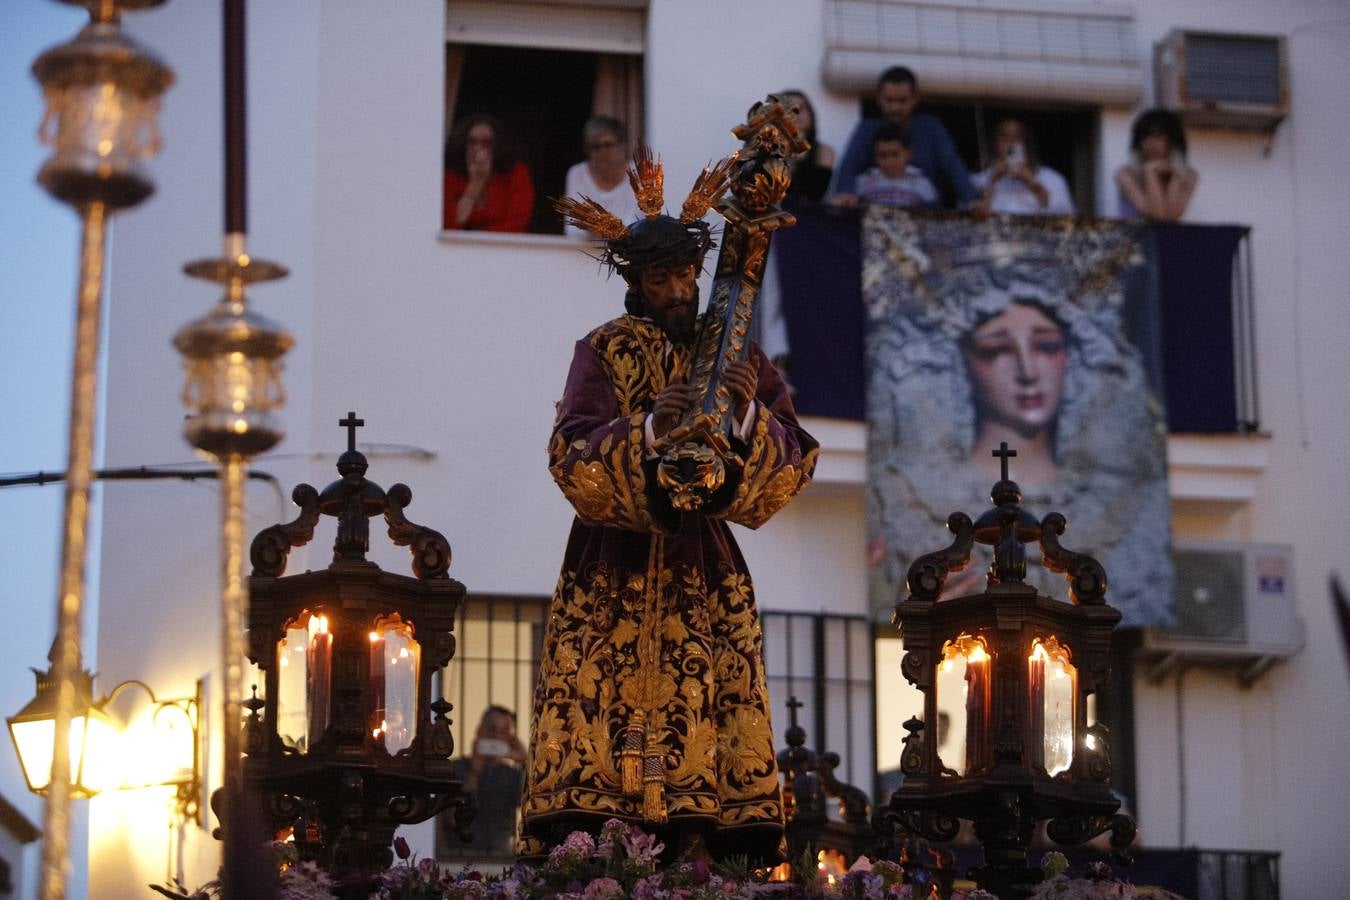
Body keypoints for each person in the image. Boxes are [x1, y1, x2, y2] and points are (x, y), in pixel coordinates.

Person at [522, 155, 819, 864]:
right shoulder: (604, 350)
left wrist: (746, 415)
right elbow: (569, 452)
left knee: (707, 706)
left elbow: (796, 457)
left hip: (702, 566)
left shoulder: (734, 352)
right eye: (662, 279)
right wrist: (649, 429)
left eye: (687, 275)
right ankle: (592, 851)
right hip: (610, 566)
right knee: (602, 707)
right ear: (636, 282)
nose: (680, 291)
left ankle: (700, 840)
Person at [830, 66, 976, 209]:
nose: (895, 108)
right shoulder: (867, 129)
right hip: (875, 214)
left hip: (923, 214)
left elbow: (951, 164)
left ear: (915, 99)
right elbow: (850, 164)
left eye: (902, 101)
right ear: (879, 99)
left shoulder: (930, 127)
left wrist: (972, 199)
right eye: (889, 100)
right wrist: (845, 193)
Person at [961, 300, 1068, 486]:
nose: (1028, 372)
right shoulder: (933, 489)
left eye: (1047, 346)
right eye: (996, 350)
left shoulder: (1103, 489)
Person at [440, 706, 527, 863]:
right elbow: (451, 818)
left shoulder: (512, 774)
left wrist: (526, 762)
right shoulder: (453, 769)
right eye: (492, 729)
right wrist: (474, 772)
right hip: (455, 858)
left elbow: (533, 805)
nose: (496, 736)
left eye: (504, 732)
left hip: (501, 859)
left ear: (511, 738)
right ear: (480, 730)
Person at [443, 113, 534, 232]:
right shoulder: (451, 176)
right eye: (472, 142)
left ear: (498, 146)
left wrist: (476, 236)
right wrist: (475, 183)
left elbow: (517, 224)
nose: (478, 148)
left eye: (486, 142)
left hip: (502, 244)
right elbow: (448, 225)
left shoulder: (517, 174)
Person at [971, 117, 1075, 216]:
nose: (1011, 142)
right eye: (1004, 137)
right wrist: (992, 181)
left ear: (1026, 143)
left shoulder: (1052, 179)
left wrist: (1034, 184)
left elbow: (1067, 216)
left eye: (1017, 137)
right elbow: (970, 215)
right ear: (994, 143)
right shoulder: (978, 179)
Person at [1114, 108, 1197, 222]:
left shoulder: (1190, 175)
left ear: (1172, 141)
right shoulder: (1125, 174)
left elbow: (1172, 218)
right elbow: (1155, 216)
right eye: (1145, 137)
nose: (1151, 143)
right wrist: (1150, 172)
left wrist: (1175, 176)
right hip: (1135, 233)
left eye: (1158, 137)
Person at [563, 116, 639, 237]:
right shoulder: (578, 174)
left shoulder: (639, 174)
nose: (603, 152)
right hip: (585, 248)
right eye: (595, 147)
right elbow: (574, 227)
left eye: (608, 145)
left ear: (623, 145)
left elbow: (642, 227)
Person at [855, 122, 939, 209]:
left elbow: (932, 213)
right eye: (882, 155)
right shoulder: (863, 181)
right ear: (875, 156)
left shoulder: (922, 183)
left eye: (894, 154)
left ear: (909, 154)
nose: (888, 161)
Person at [779, 89, 834, 203]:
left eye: (802, 108)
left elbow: (814, 194)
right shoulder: (766, 149)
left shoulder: (824, 152)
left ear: (811, 114)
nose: (796, 113)